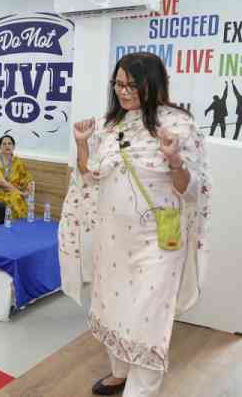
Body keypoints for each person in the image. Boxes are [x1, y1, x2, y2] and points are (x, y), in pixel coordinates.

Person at [60, 52, 211, 397]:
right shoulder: (111, 125)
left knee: (147, 316)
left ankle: (140, 390)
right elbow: (90, 177)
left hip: (157, 242)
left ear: (152, 83)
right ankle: (119, 371)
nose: (124, 92)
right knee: (113, 305)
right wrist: (82, 146)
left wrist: (174, 159)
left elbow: (193, 191)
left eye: (132, 85)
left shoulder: (178, 125)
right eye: (119, 84)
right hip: (113, 239)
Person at [0, 135, 34, 220]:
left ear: (13, 146)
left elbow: (27, 178)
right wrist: (20, 193)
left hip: (11, 191)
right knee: (14, 198)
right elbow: (1, 182)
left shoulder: (18, 161)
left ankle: (22, 225)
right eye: (4, 144)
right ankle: (13, 225)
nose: (7, 146)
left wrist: (28, 187)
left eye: (10, 143)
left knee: (15, 197)